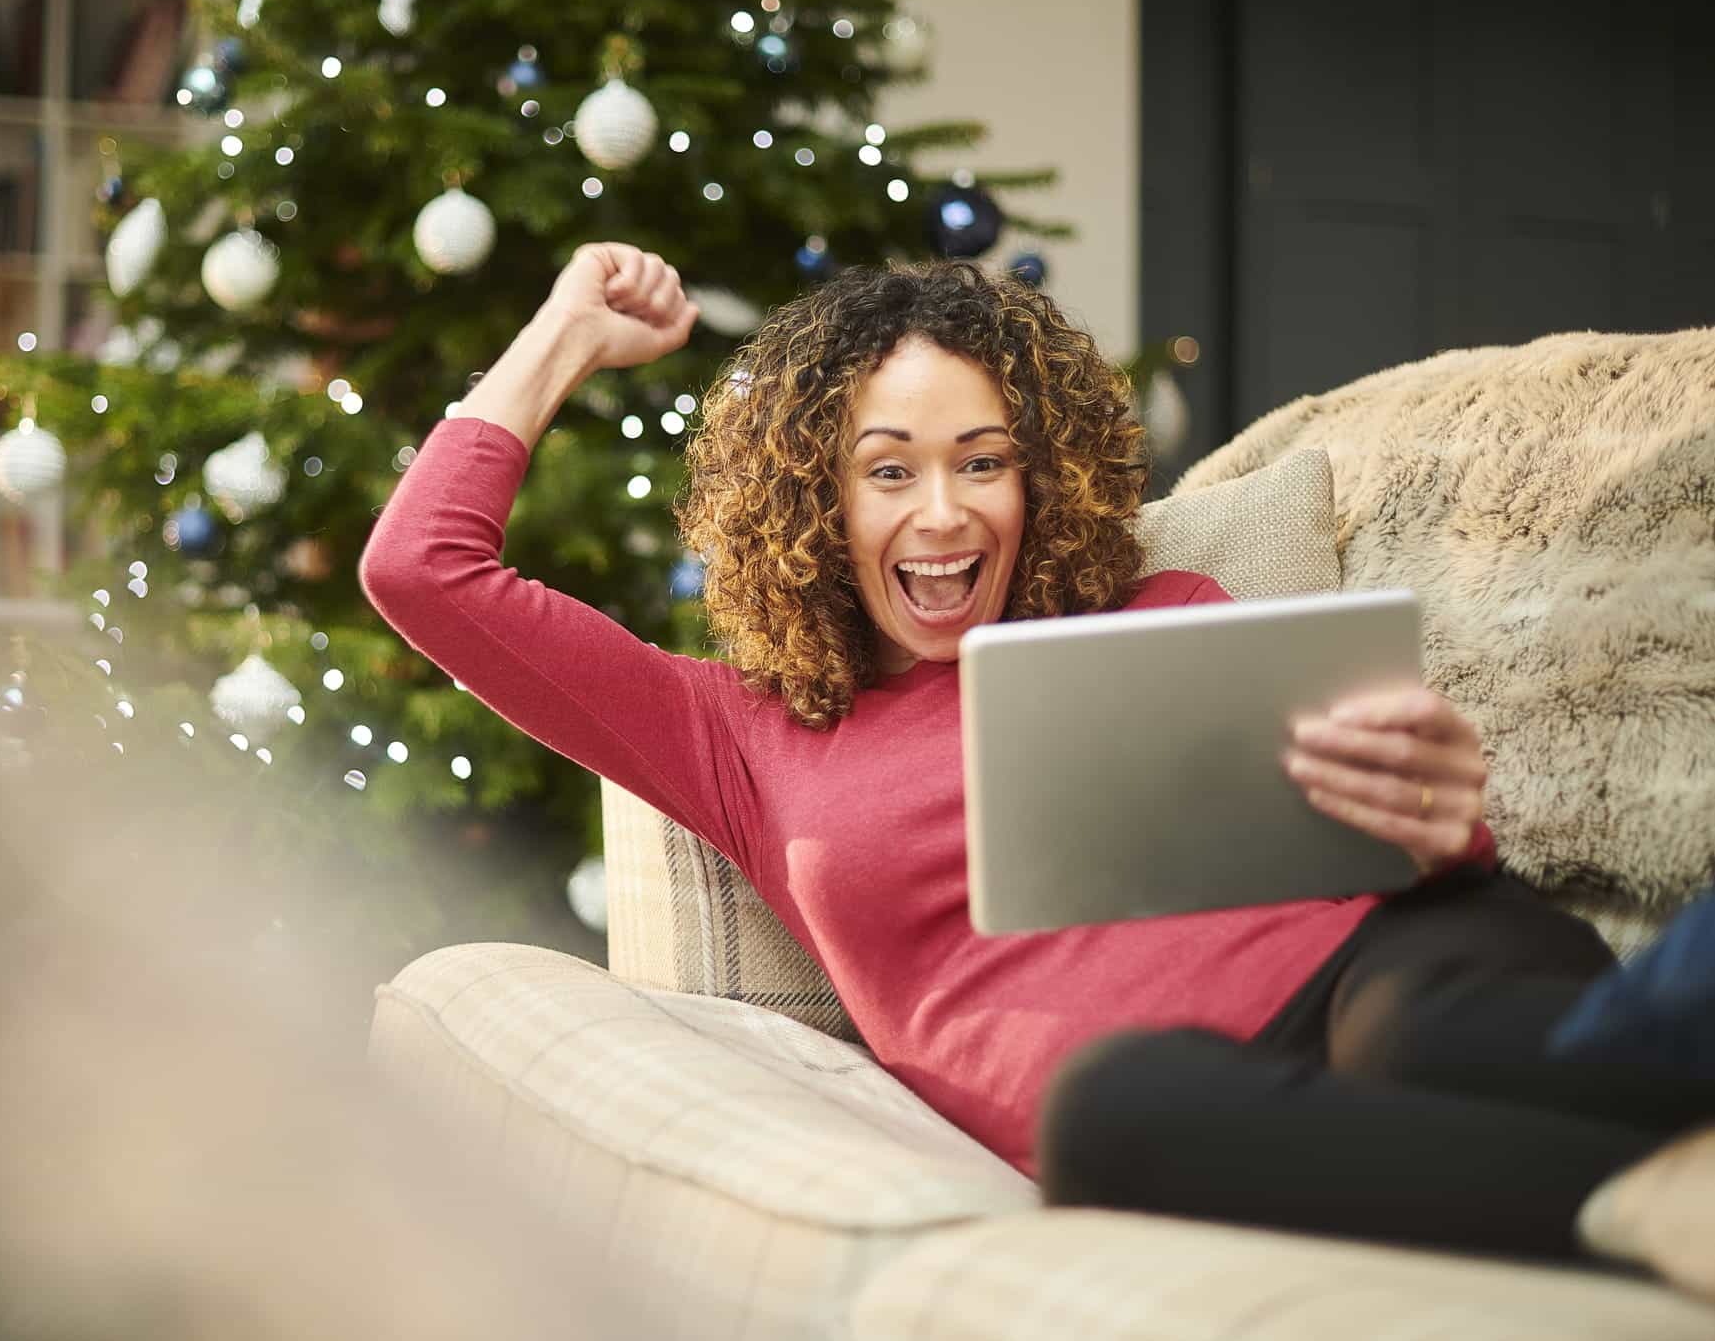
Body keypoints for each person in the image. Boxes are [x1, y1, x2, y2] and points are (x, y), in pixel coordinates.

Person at [359, 242, 1715, 1295]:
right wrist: (562, 337)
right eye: (886, 471)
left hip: (1407, 962)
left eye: (983, 462)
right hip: (1200, 1097)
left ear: (1039, 475)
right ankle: (1643, 1198)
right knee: (1112, 1109)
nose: (941, 514)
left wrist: (1435, 823)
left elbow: (1389, 838)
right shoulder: (736, 732)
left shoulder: (1167, 606)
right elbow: (420, 569)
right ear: (818, 506)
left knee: (1429, 1033)